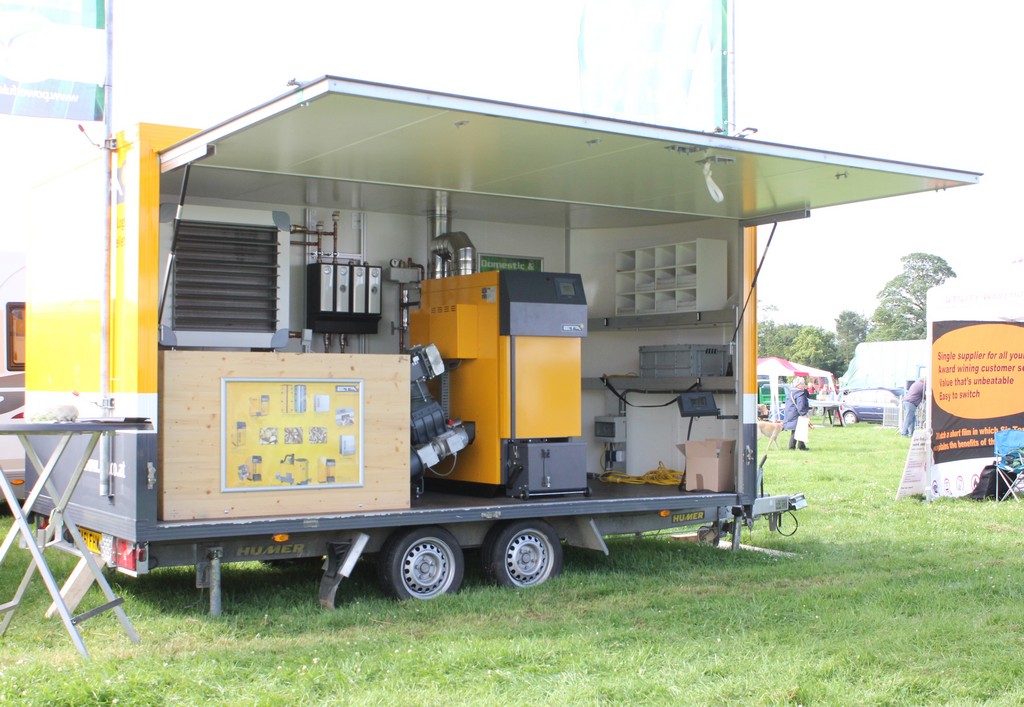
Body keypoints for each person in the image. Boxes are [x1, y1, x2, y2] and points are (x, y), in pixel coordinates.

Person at [783, 376, 810, 451]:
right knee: (797, 430)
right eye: (803, 383)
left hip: (791, 413)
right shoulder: (799, 394)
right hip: (796, 414)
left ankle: (801, 446)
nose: (804, 385)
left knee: (798, 430)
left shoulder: (791, 392)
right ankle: (793, 447)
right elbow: (800, 405)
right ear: (799, 385)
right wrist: (804, 414)